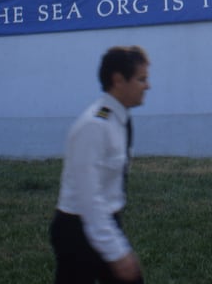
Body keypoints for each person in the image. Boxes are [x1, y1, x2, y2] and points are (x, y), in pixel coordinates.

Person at [50, 45, 150, 283]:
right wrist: (116, 252)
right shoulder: (95, 126)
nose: (148, 86)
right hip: (78, 230)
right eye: (141, 79)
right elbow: (89, 199)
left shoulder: (119, 119)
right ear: (118, 80)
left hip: (104, 222)